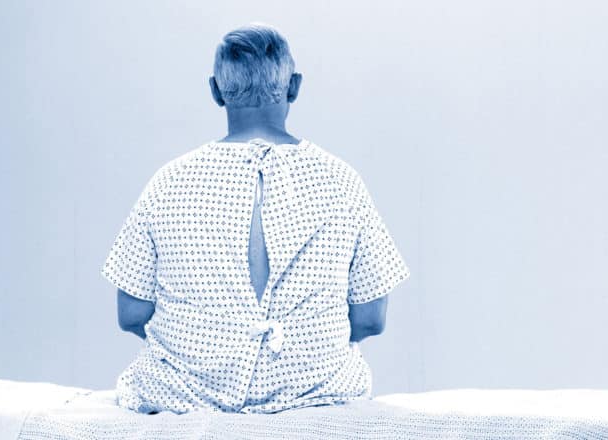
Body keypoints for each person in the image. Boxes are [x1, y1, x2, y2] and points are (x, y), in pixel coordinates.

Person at [101, 22, 411, 414]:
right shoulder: (342, 182)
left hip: (185, 395)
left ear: (215, 91)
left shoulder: (168, 182)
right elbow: (370, 318)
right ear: (295, 86)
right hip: (317, 394)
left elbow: (131, 314)